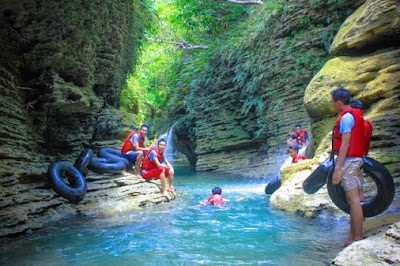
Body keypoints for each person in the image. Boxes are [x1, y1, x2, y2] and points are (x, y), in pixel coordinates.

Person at [331, 87, 366, 246]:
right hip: (357, 160)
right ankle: (353, 235)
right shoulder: (354, 115)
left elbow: (345, 144)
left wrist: (338, 169)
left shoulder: (346, 118)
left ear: (339, 102)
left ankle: (357, 237)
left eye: (333, 102)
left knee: (353, 201)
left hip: (349, 162)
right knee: (356, 198)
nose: (333, 105)